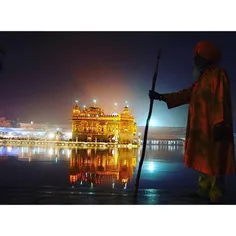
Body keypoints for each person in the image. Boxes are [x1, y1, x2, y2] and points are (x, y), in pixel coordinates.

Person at [149, 41, 236, 203]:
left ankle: (216, 196)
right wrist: (161, 97)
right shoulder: (202, 79)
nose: (194, 61)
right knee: (204, 159)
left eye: (197, 57)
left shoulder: (218, 75)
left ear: (206, 58)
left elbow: (221, 99)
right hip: (203, 128)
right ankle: (203, 191)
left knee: (216, 160)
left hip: (215, 126)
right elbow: (185, 94)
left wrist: (220, 122)